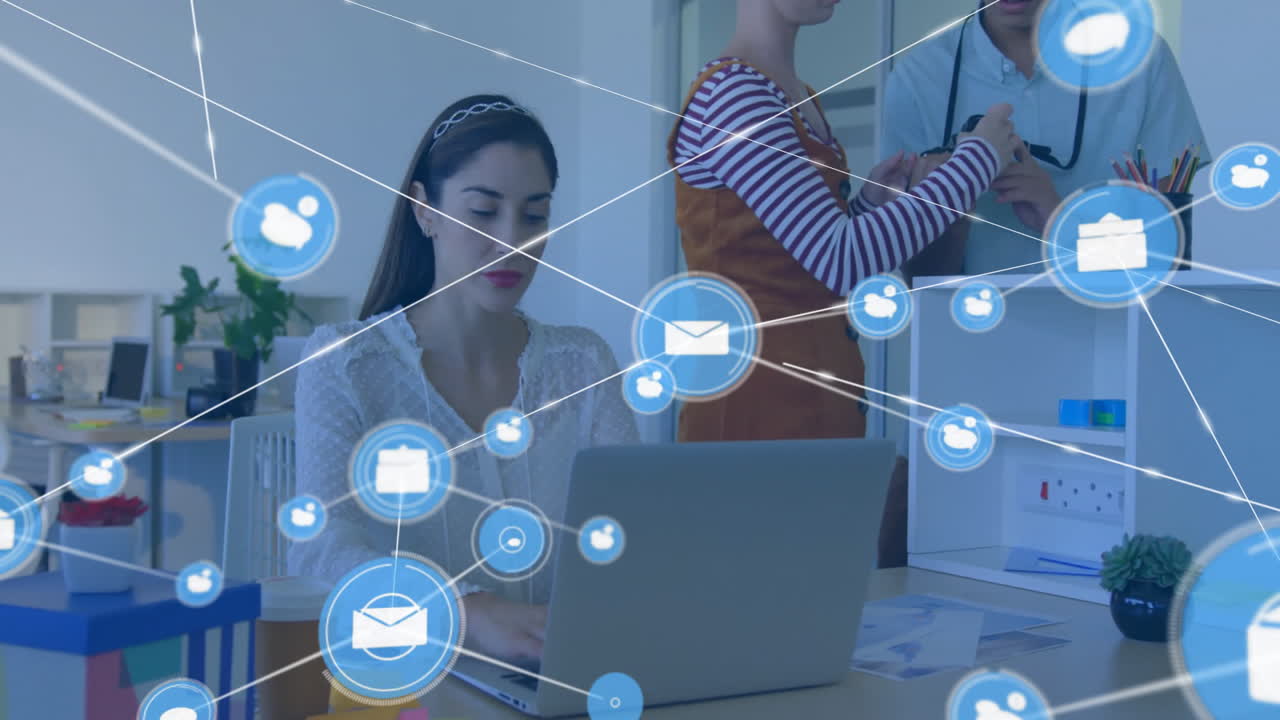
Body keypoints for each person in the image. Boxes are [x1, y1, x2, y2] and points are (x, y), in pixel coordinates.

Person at [290, 94, 639, 663]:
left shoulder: (584, 363)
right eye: (483, 211)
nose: (513, 240)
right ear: (423, 209)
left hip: (558, 678)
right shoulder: (347, 363)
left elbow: (633, 529)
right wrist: (465, 611)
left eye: (534, 214)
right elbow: (320, 551)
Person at [668, 0, 1017, 443]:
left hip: (808, 404)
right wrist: (979, 161)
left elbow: (805, 263)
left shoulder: (791, 95)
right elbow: (839, 260)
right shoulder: (735, 94)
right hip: (754, 413)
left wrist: (868, 206)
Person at [883, 0, 1209, 279]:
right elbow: (921, 280)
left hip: (1116, 334)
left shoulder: (1141, 60)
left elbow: (1167, 261)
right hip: (973, 338)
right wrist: (954, 197)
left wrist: (1059, 220)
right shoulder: (917, 77)